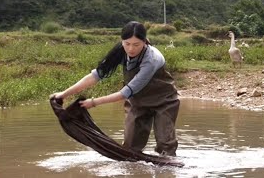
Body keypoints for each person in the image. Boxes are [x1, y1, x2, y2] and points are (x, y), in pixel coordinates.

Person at [50, 21, 180, 156]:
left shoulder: (152, 59)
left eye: (136, 45)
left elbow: (126, 92)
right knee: (130, 148)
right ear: (122, 41)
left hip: (164, 102)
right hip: (137, 102)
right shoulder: (120, 51)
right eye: (127, 44)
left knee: (166, 145)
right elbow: (95, 76)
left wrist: (93, 102)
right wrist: (64, 94)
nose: (131, 49)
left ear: (145, 42)